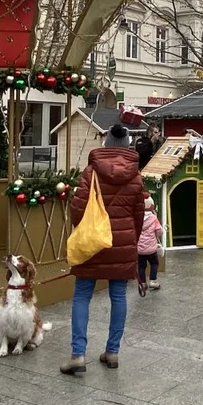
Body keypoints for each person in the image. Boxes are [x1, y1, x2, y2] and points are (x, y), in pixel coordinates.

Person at [61, 123, 145, 374]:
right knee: (118, 296)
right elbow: (139, 214)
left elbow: (77, 208)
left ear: (106, 142)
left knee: (82, 296)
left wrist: (86, 232)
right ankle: (112, 351)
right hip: (122, 244)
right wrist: (130, 239)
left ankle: (78, 355)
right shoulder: (135, 175)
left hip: (93, 243)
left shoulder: (91, 172)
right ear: (128, 144)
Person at [136, 194, 163, 294]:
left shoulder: (137, 218)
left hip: (140, 249)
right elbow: (159, 231)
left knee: (141, 266)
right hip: (151, 249)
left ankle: (142, 283)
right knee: (154, 263)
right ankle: (153, 280)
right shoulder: (153, 218)